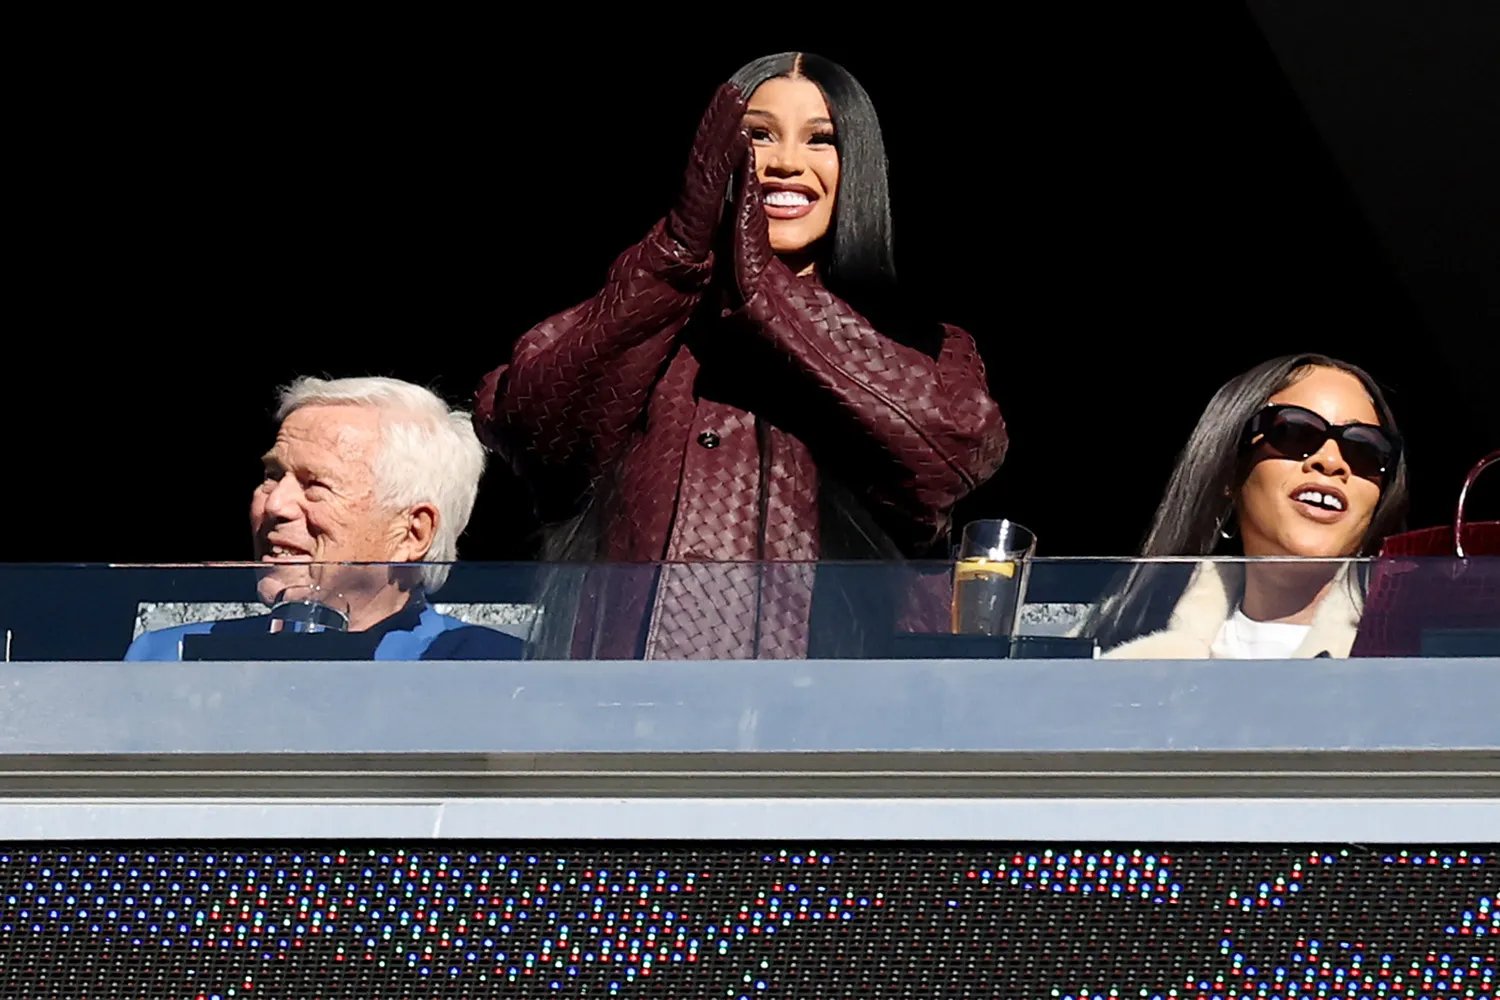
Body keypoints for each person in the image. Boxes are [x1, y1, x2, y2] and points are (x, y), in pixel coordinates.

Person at [474, 52, 1007, 659]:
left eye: (821, 140)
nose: (785, 162)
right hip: (627, 713)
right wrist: (678, 250)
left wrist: (765, 292)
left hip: (839, 714)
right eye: (757, 135)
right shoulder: (646, 310)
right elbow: (522, 420)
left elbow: (959, 448)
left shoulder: (921, 342)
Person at [126, 376, 522, 661]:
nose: (276, 505)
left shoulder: (492, 672)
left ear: (411, 533)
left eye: (316, 485)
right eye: (272, 476)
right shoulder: (166, 660)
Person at [1085, 354, 1408, 659]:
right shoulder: (1112, 669)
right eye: (1295, 432)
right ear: (1229, 470)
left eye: (1365, 448)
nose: (1331, 461)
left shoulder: (1420, 667)